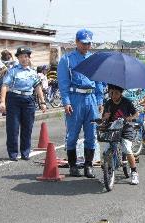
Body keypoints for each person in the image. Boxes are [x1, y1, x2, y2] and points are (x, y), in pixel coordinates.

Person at [57, 29, 104, 177]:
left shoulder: (94, 59)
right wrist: (66, 102)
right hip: (75, 98)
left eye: (89, 43)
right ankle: (72, 165)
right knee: (73, 134)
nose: (86, 46)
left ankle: (88, 166)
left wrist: (100, 99)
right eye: (83, 43)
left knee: (91, 135)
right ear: (77, 42)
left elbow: (99, 81)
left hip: (91, 99)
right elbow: (63, 83)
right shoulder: (67, 59)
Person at [0, 47, 47, 161]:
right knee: (13, 128)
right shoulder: (13, 70)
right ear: (18, 58)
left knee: (27, 127)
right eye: (21, 57)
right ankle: (13, 153)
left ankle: (25, 152)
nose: (23, 59)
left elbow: (37, 87)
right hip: (14, 99)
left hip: (29, 100)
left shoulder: (33, 72)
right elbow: (5, 85)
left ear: (28, 58)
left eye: (25, 56)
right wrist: (2, 102)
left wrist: (42, 102)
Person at [102, 84, 139, 185]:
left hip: (126, 128)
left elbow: (136, 114)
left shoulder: (127, 102)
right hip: (113, 129)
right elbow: (103, 118)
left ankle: (134, 172)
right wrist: (105, 117)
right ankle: (107, 171)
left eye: (116, 93)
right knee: (106, 151)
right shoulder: (108, 103)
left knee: (127, 149)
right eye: (112, 93)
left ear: (121, 93)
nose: (114, 95)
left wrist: (131, 118)